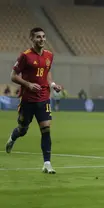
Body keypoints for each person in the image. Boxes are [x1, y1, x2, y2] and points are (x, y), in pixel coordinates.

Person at [5, 27, 62, 174]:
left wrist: (52, 85)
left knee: (46, 130)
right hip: (28, 99)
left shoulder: (49, 55)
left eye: (43, 36)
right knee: (23, 129)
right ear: (32, 38)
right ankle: (13, 137)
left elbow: (47, 72)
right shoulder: (25, 56)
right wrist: (28, 84)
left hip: (43, 98)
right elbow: (13, 75)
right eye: (38, 37)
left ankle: (47, 163)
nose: (42, 39)